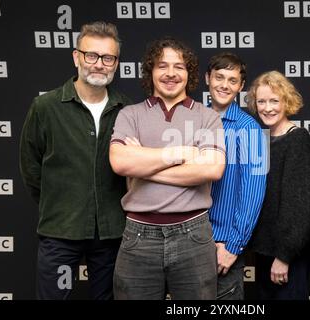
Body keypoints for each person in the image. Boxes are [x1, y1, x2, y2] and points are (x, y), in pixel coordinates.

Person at [19, 21, 131, 299]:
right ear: (76, 56)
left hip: (111, 234)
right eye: (91, 55)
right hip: (61, 232)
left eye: (108, 58)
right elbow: (31, 167)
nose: (99, 64)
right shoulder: (45, 107)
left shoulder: (127, 111)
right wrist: (60, 202)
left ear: (116, 63)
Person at [110, 37, 226, 300]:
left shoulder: (207, 117)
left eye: (179, 67)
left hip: (193, 234)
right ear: (150, 71)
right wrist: (181, 154)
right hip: (138, 235)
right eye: (162, 66)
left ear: (190, 74)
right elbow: (120, 162)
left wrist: (142, 162)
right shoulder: (130, 114)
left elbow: (212, 169)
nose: (171, 73)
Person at [247, 71, 310, 300]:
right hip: (265, 251)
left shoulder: (297, 140)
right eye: (261, 101)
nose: (267, 108)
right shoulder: (263, 139)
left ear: (286, 102)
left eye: (274, 101)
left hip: (287, 256)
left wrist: (284, 256)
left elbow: (297, 204)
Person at [205, 52, 267, 300]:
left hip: (223, 244)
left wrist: (233, 246)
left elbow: (253, 193)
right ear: (207, 78)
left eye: (232, 80)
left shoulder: (249, 127)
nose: (224, 85)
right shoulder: (193, 120)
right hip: (190, 242)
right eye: (219, 77)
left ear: (241, 86)